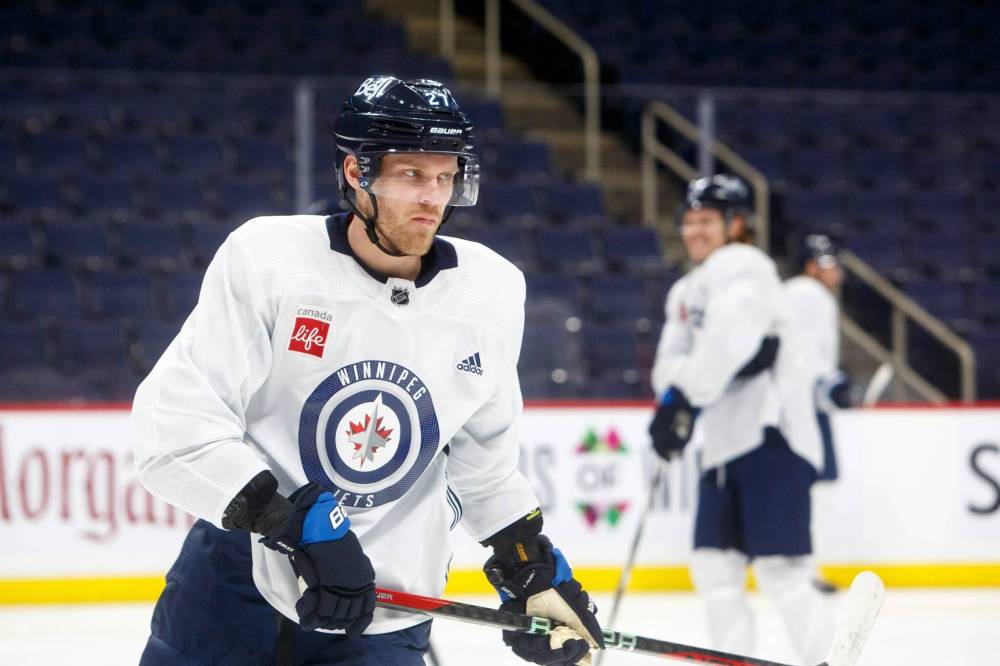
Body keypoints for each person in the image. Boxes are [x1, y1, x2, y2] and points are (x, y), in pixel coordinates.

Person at [131, 75, 602, 666]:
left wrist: (527, 561)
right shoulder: (269, 261)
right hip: (232, 594)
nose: (432, 197)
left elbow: (483, 464)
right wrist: (292, 523)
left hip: (385, 614)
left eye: (446, 176)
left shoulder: (492, 291)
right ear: (357, 172)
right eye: (412, 174)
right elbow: (175, 428)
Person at [648, 175, 833, 664]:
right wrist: (683, 392)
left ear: (735, 224)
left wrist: (685, 395)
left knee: (782, 571)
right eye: (689, 222)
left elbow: (725, 346)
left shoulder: (747, 266)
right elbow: (666, 369)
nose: (695, 231)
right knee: (713, 567)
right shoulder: (686, 289)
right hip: (723, 447)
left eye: (707, 221)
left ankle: (824, 659)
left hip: (773, 439)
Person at [784, 234, 852, 593]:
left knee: (810, 487)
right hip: (807, 406)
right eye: (829, 263)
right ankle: (805, 567)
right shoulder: (810, 296)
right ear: (811, 265)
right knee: (818, 487)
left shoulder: (792, 293)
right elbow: (807, 356)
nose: (836, 271)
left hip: (796, 405)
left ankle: (802, 566)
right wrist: (831, 385)